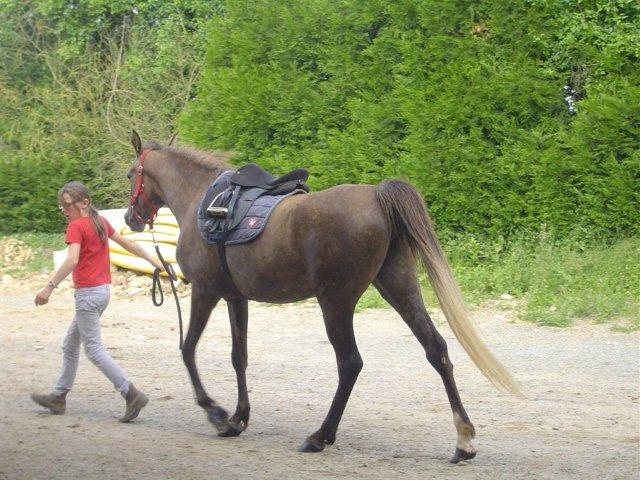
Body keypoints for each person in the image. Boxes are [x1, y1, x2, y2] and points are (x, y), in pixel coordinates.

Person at [30, 181, 164, 422]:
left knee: (93, 350)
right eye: (62, 206)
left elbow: (71, 261)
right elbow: (129, 243)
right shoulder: (98, 222)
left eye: (68, 205)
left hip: (87, 295)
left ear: (84, 202)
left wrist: (48, 288)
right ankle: (59, 396)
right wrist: (153, 261)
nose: (65, 210)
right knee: (70, 345)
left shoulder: (77, 226)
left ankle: (130, 393)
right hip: (102, 293)